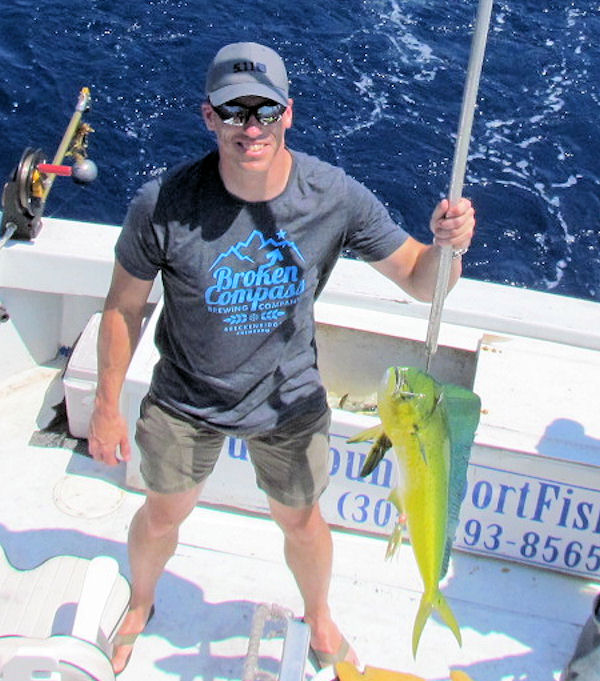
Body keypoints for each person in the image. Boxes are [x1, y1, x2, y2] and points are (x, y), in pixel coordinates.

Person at [88, 41, 476, 674]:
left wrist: (447, 247)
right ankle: (140, 601)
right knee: (161, 515)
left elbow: (419, 278)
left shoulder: (333, 196)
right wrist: (106, 406)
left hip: (288, 399)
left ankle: (319, 618)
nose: (251, 128)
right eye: (233, 112)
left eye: (265, 111)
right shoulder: (161, 203)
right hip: (186, 398)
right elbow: (123, 307)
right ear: (208, 116)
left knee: (301, 521)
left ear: (288, 114)